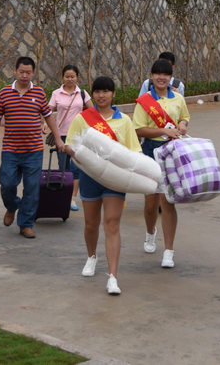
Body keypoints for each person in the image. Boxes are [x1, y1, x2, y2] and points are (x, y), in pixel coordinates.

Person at [57, 76, 141, 295]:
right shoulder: (83, 118)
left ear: (113, 94)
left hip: (115, 179)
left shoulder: (124, 121)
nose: (101, 95)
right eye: (97, 92)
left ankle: (113, 277)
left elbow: (134, 151)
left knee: (112, 223)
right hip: (89, 177)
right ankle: (91, 256)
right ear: (92, 94)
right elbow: (70, 145)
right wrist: (77, 152)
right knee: (91, 224)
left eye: (105, 91)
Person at [0, 57, 57, 239]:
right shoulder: (4, 93)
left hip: (34, 151)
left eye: (28, 72)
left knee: (32, 189)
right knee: (7, 184)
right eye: (21, 72)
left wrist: (58, 139)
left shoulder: (39, 93)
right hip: (10, 150)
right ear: (15, 71)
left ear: (33, 73)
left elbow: (49, 117)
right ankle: (12, 206)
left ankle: (25, 224)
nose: (25, 75)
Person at [133, 58, 191, 268]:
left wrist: (182, 125)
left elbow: (184, 117)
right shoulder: (144, 101)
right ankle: (150, 233)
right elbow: (138, 129)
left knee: (168, 201)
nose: (161, 77)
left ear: (170, 77)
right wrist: (163, 130)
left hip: (172, 151)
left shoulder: (178, 98)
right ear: (152, 76)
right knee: (151, 204)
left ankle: (169, 251)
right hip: (150, 150)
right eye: (157, 73)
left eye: (165, 74)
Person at [47, 64, 93, 211]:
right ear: (62, 77)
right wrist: (44, 124)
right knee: (63, 167)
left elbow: (93, 111)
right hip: (61, 135)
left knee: (76, 167)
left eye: (73, 76)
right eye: (67, 76)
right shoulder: (56, 93)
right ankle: (64, 195)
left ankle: (72, 198)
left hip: (78, 136)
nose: (70, 79)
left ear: (77, 77)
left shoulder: (82, 94)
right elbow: (48, 111)